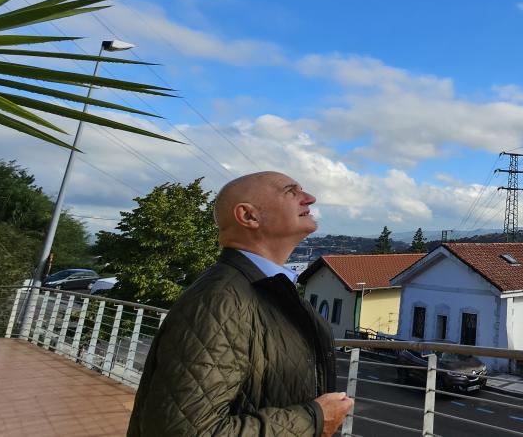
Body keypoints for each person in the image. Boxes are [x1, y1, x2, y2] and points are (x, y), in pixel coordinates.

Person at [127, 172, 354, 437]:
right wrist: (314, 420)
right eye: (291, 191)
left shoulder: (260, 289)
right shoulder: (219, 301)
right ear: (248, 216)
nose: (309, 199)